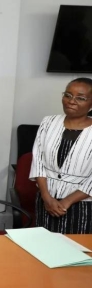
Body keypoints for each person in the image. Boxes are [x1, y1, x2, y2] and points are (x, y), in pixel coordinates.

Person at [30, 78, 92, 234]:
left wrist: (67, 201)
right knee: (42, 247)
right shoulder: (48, 122)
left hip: (82, 204)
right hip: (46, 200)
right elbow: (38, 161)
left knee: (77, 250)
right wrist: (46, 197)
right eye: (68, 95)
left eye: (80, 98)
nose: (71, 101)